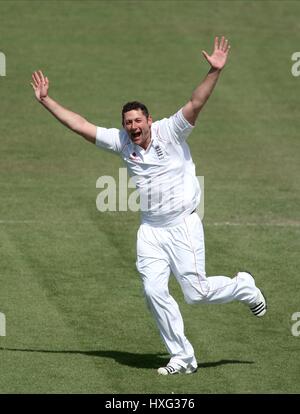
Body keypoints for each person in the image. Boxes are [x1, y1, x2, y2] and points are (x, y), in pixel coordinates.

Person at [31, 36, 267, 376]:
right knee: (153, 290)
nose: (133, 127)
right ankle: (182, 356)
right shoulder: (122, 141)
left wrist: (214, 71)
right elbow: (79, 125)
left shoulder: (171, 132)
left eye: (137, 121)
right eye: (128, 122)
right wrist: (46, 100)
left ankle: (243, 286)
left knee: (196, 294)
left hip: (182, 223)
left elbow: (195, 102)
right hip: (151, 230)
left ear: (149, 120)